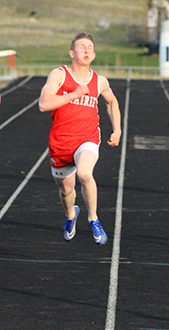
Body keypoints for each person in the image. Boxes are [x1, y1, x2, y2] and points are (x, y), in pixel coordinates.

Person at [39, 32, 121, 245]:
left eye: (89, 48)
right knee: (66, 190)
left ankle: (93, 219)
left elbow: (111, 103)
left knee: (85, 173)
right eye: (81, 47)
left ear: (93, 55)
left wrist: (117, 129)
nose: (86, 50)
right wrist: (73, 94)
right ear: (72, 53)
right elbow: (43, 104)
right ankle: (70, 216)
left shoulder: (99, 81)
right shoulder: (59, 75)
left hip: (88, 138)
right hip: (60, 143)